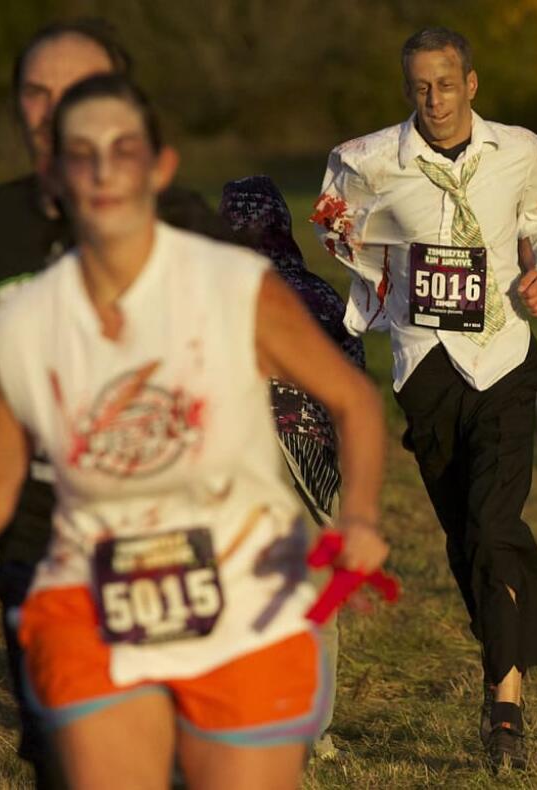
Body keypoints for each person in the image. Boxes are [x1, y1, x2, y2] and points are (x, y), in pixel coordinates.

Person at [0, 74, 389, 789]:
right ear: (53, 174)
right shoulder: (20, 324)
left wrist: (362, 516)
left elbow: (355, 401)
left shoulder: (237, 289)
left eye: (122, 149)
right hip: (94, 612)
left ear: (160, 170)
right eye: (80, 152)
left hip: (247, 607)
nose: (101, 169)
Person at [0, 19, 234, 787]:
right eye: (35, 95)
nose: (51, 114)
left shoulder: (183, 222)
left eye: (75, 93)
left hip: (158, 542)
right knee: (65, 761)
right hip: (38, 539)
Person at [310, 27, 537, 772]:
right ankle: (505, 652)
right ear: (409, 90)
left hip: (504, 355)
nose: (435, 99)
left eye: (447, 84)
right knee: (466, 539)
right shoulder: (367, 159)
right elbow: (330, 219)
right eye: (420, 87)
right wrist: (385, 270)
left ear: (473, 83)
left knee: (495, 527)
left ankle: (505, 710)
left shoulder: (517, 150)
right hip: (425, 365)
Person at [219, 175, 368, 761]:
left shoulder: (203, 296)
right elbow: (353, 389)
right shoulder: (323, 298)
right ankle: (312, 729)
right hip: (307, 462)